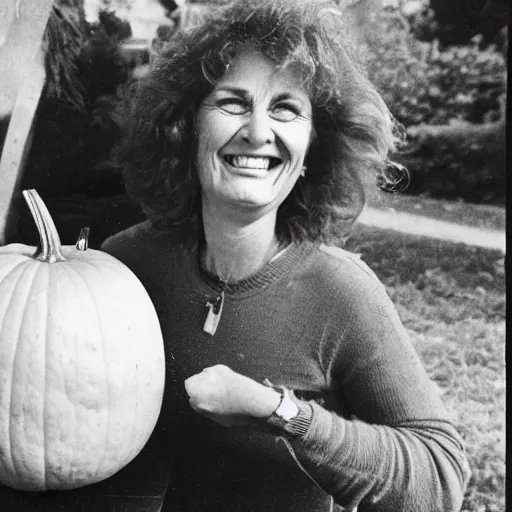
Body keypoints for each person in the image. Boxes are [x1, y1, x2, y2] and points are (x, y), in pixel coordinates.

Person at [101, 1, 471, 510]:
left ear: (312, 152)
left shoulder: (341, 292)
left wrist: (282, 413)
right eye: (232, 102)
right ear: (185, 130)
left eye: (285, 109)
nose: (257, 131)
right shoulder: (124, 266)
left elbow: (440, 477)